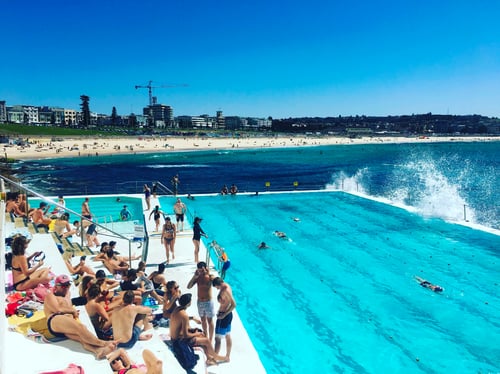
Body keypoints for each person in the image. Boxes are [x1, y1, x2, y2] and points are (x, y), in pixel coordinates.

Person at [44, 274, 117, 359]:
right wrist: (72, 311)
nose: (66, 287)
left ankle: (97, 351)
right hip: (55, 319)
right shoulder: (51, 296)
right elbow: (57, 309)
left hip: (65, 323)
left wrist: (73, 312)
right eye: (63, 286)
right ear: (56, 286)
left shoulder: (68, 294)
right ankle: (102, 343)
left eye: (68, 285)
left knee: (81, 337)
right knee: (81, 328)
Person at [169, 293, 226, 366]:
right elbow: (186, 335)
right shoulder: (184, 315)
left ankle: (208, 358)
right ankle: (216, 356)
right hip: (178, 342)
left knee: (201, 335)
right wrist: (196, 334)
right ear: (188, 303)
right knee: (206, 340)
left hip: (174, 338)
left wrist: (193, 325)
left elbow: (179, 323)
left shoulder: (177, 309)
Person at [187, 262, 216, 342]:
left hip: (208, 302)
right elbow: (188, 286)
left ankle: (210, 338)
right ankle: (206, 335)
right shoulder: (198, 277)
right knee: (203, 320)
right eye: (201, 270)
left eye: (203, 269)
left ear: (206, 268)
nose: (202, 271)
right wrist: (194, 276)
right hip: (200, 302)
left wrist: (210, 274)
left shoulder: (210, 277)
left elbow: (216, 281)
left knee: (210, 321)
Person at [213, 277, 236, 362]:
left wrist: (223, 315)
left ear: (219, 284)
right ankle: (227, 357)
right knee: (227, 335)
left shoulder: (225, 290)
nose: (217, 288)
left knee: (217, 339)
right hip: (228, 315)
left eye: (216, 287)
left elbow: (234, 304)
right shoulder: (227, 285)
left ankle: (214, 359)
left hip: (224, 316)